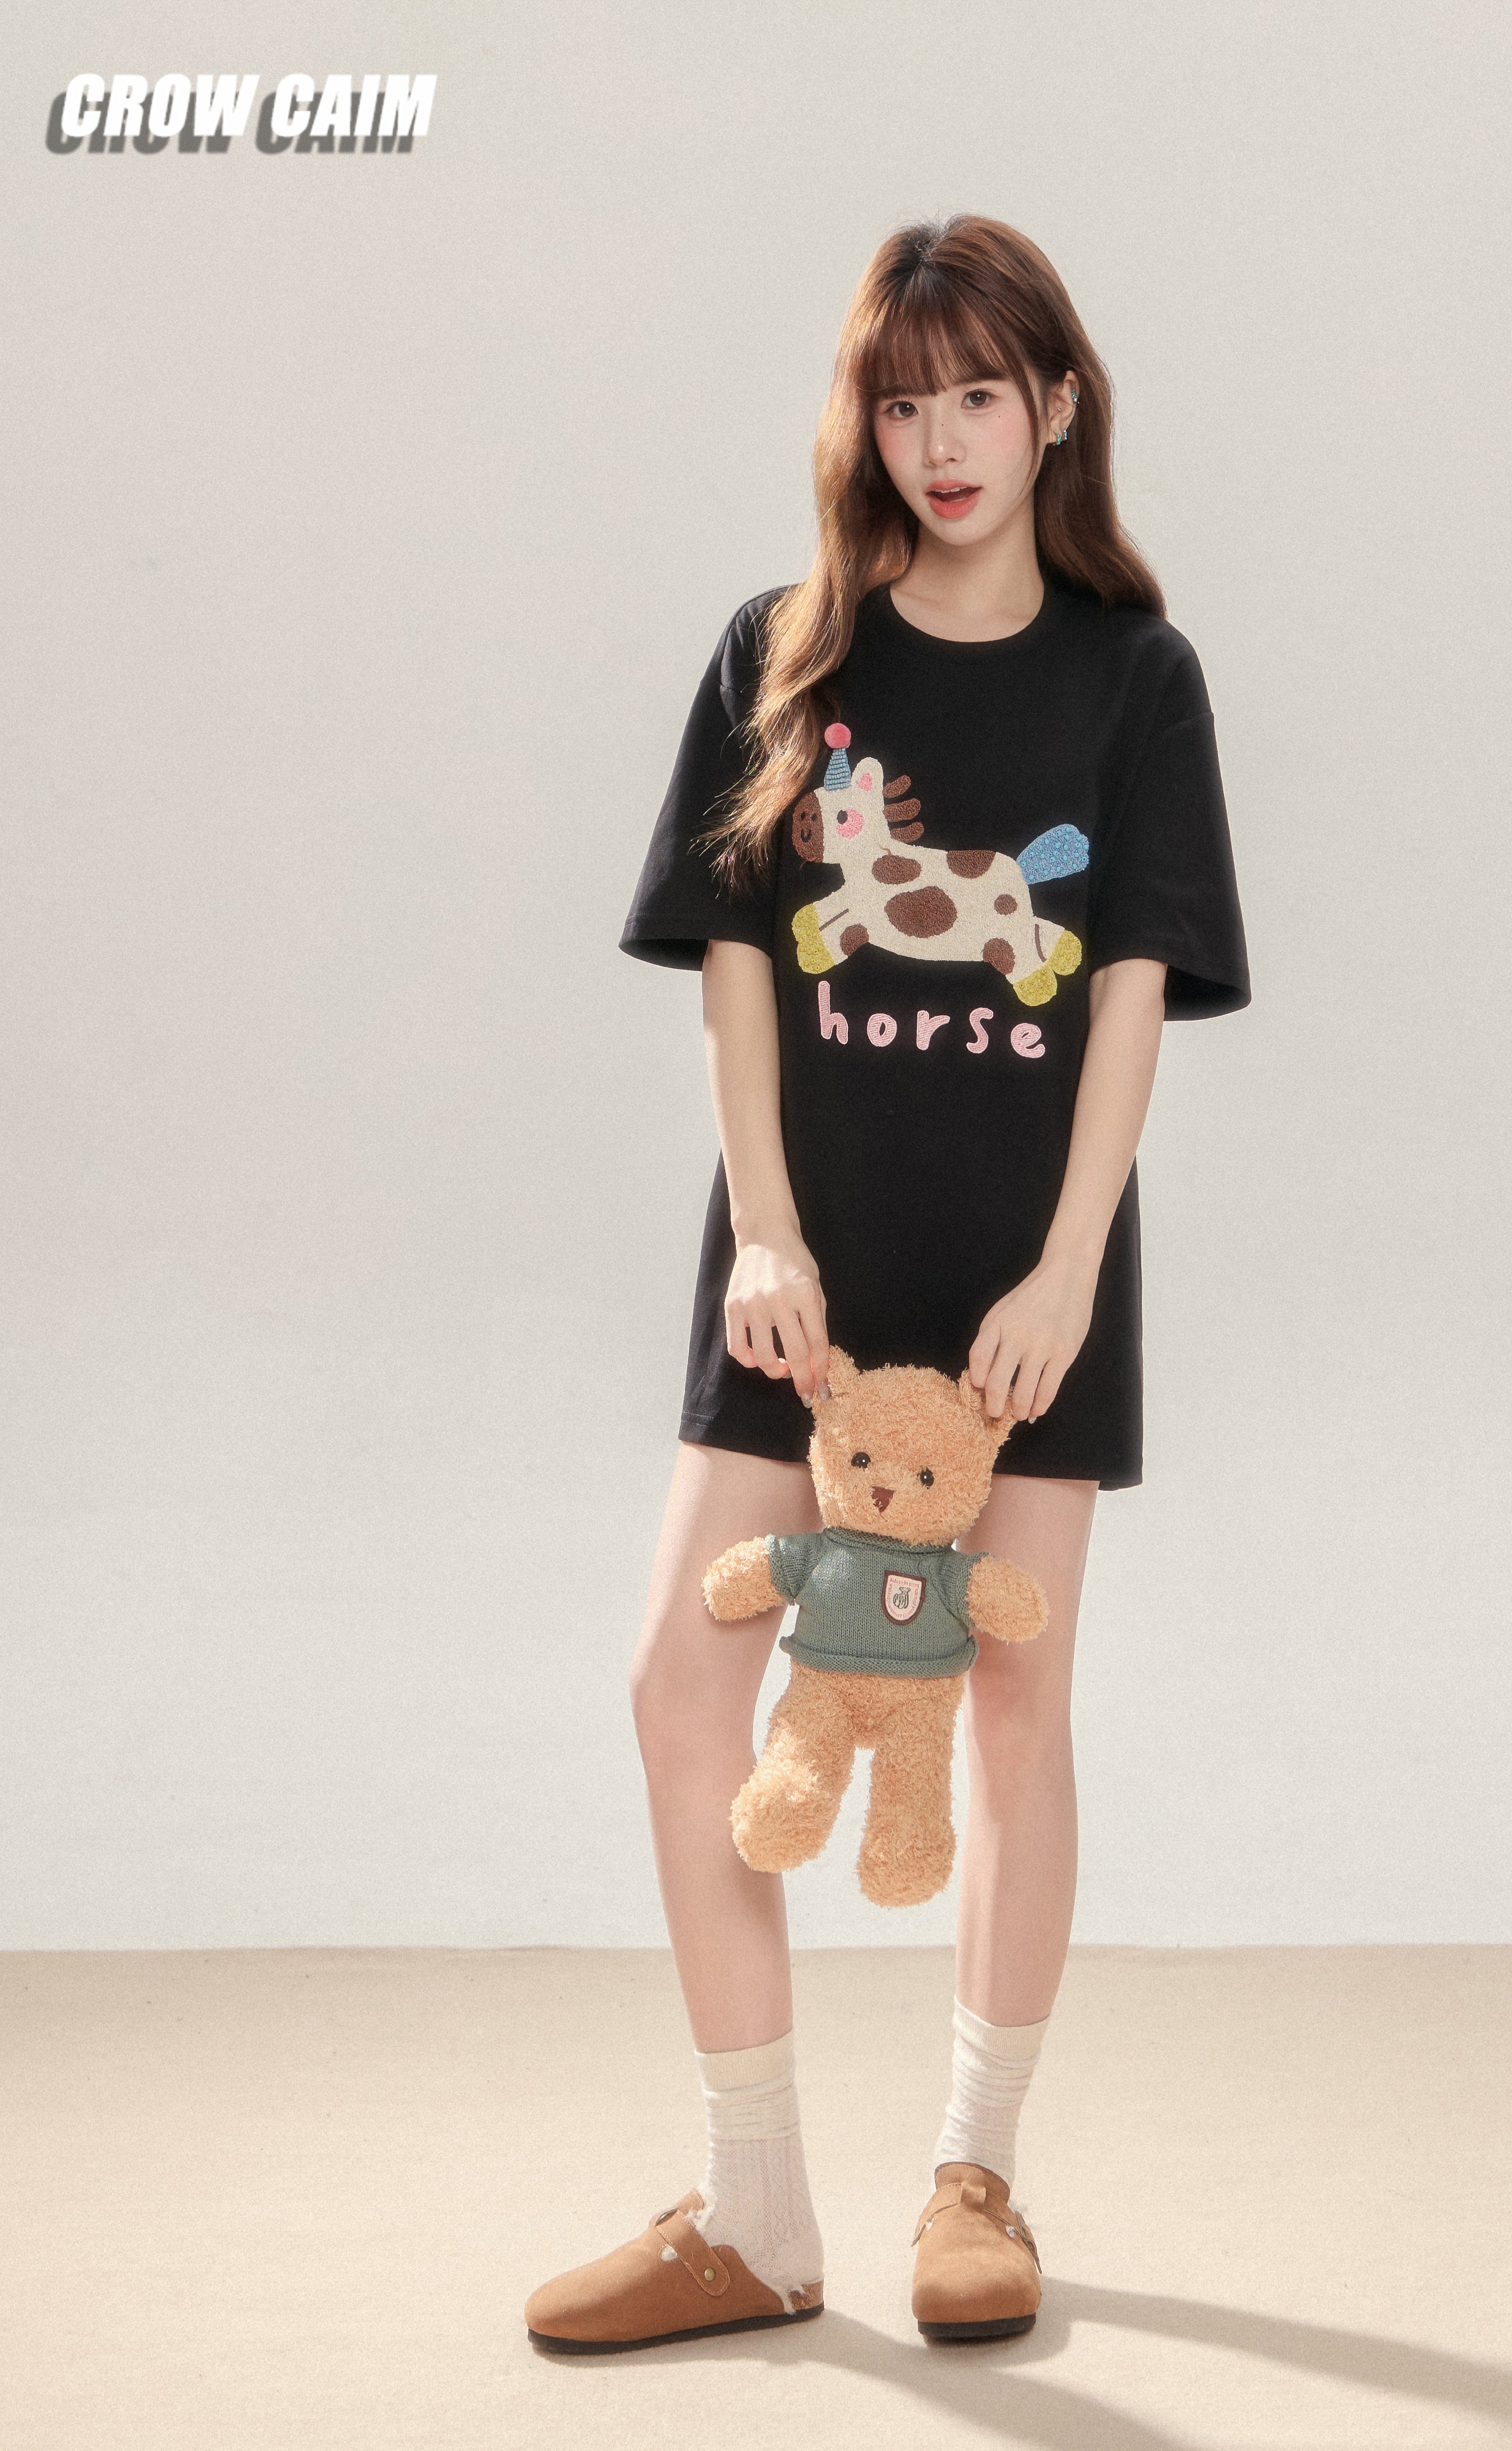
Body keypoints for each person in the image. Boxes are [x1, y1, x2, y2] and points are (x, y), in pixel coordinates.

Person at [523, 213, 1249, 2355]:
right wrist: (764, 1226)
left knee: (1015, 1703)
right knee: (679, 1685)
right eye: (904, 400)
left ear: (1056, 408)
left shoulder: (1137, 676)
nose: (942, 442)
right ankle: (755, 2208)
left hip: (1028, 1276)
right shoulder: (782, 653)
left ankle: (974, 2177)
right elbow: (739, 970)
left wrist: (1069, 1269)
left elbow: (1129, 996)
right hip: (805, 1276)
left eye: (980, 396)